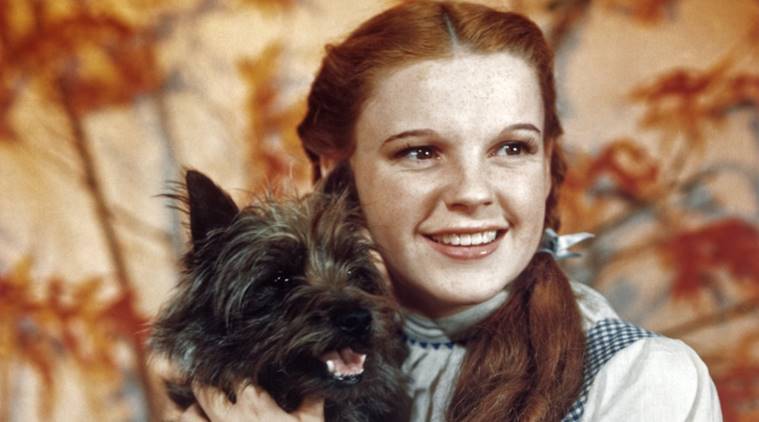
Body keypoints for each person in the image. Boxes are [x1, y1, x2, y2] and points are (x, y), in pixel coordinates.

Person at [179, 1, 723, 421]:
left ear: (547, 161)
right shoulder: (275, 367)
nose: (472, 192)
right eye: (420, 152)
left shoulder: (640, 381)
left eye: (512, 148)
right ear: (332, 172)